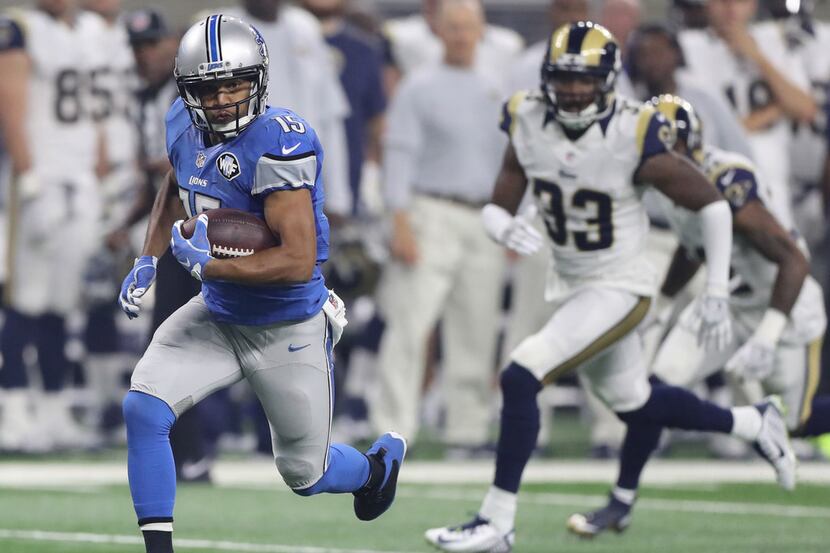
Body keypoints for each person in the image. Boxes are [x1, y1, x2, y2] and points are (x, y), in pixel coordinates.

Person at [424, 22, 795, 552]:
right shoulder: (526, 116)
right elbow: (498, 201)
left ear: (610, 80)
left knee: (522, 373)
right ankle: (753, 423)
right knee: (637, 404)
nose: (574, 90)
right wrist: (502, 226)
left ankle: (496, 522)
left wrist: (714, 288)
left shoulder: (635, 130)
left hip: (622, 284)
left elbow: (712, 203)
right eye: (565, 78)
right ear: (547, 77)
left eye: (586, 80)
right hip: (574, 282)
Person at [116, 15, 406, 553]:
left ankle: (372, 469)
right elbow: (176, 182)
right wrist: (149, 258)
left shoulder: (280, 141)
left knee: (306, 475)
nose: (224, 99)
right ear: (187, 91)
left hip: (285, 322)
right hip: (220, 314)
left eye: (235, 84)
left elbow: (297, 261)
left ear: (260, 79)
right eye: (209, 87)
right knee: (143, 407)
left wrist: (210, 266)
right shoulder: (181, 120)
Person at [569, 95, 829, 537]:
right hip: (724, 305)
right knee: (652, 392)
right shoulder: (671, 183)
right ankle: (621, 503)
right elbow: (695, 248)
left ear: (686, 149)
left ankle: (764, 421)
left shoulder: (728, 181)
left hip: (782, 309)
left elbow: (793, 262)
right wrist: (664, 305)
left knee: (796, 423)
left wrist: (767, 336)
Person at [368, 0, 508, 452]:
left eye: (469, 26)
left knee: (477, 326)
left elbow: (510, 162)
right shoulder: (419, 86)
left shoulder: (496, 87)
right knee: (410, 322)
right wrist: (400, 222)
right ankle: (393, 426)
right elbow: (399, 156)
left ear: (481, 30)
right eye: (454, 27)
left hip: (483, 215)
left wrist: (509, 219)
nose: (463, 35)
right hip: (430, 212)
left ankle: (466, 429)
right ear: (439, 31)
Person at [0, 0, 106, 452]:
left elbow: (94, 104)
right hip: (41, 178)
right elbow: (10, 99)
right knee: (26, 300)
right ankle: (14, 409)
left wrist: (96, 161)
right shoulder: (19, 26)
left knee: (62, 305)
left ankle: (53, 409)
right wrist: (27, 174)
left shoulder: (90, 31)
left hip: (78, 179)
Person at [679, 0, 816, 227]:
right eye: (723, 1)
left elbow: (806, 108)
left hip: (775, 186)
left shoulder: (773, 39)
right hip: (715, 182)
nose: (731, 8)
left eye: (740, 1)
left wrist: (757, 57)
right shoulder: (689, 47)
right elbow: (709, 130)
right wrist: (777, 109)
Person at [221, 0, 354, 220]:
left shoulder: (304, 26)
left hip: (306, 183)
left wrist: (338, 198)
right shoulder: (223, 28)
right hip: (246, 185)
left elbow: (329, 118)